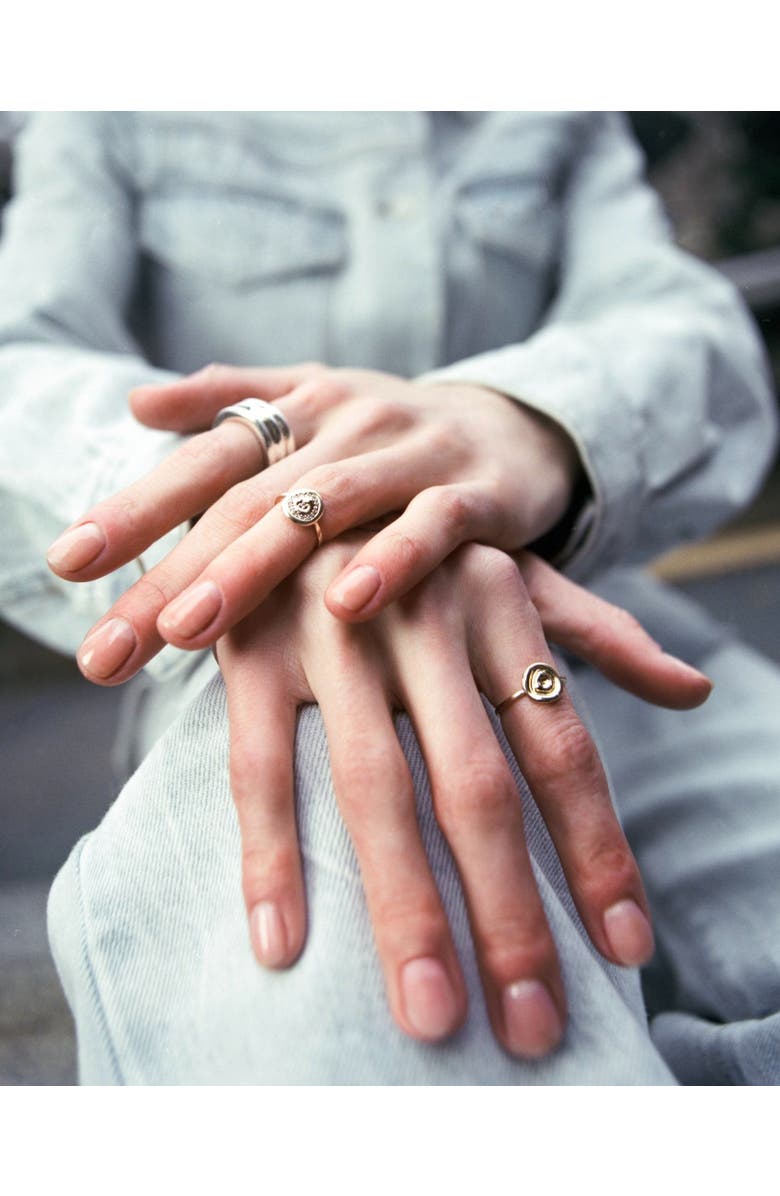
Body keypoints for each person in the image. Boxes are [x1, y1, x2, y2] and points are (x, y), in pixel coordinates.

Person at [1, 111, 778, 1083]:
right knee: (344, 1020)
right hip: (262, 655)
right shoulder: (106, 107)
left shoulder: (554, 112)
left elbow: (683, 314)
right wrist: (257, 521)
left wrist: (526, 416)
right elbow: (17, 356)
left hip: (617, 631)